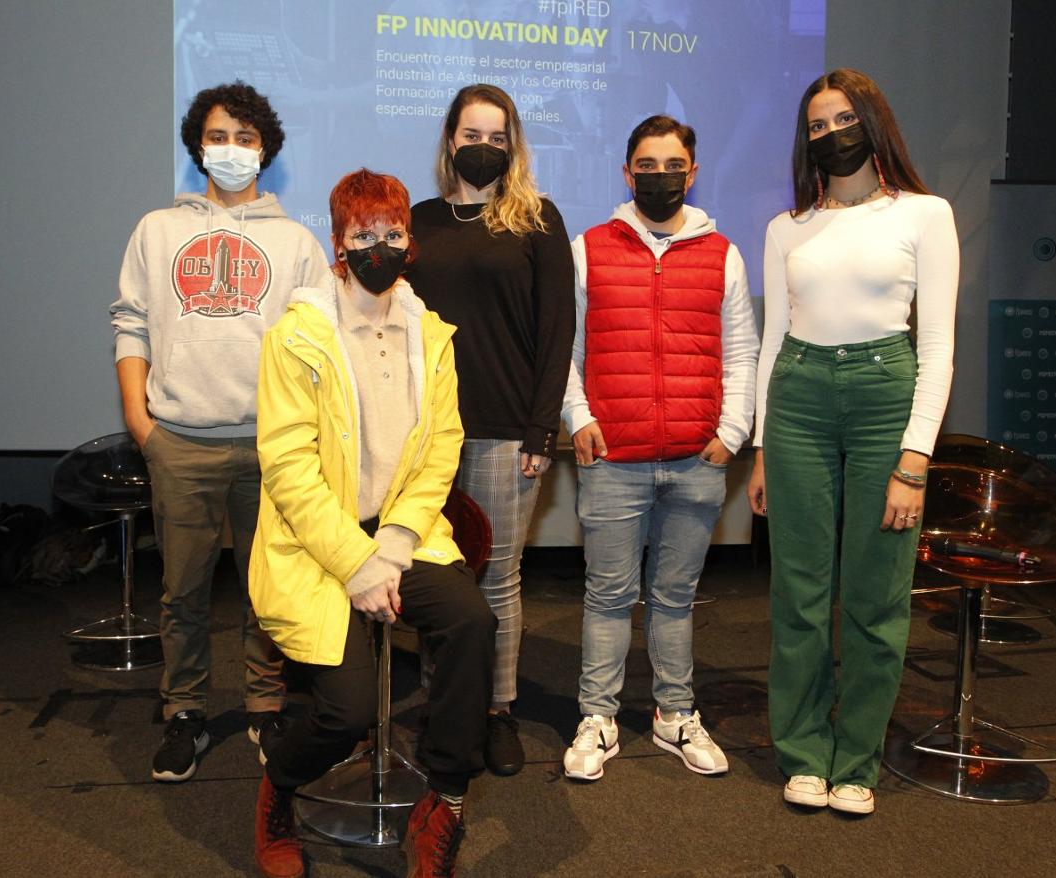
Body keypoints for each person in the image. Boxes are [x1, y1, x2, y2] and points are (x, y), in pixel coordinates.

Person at [248, 169, 495, 878]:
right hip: (316, 548)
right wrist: (356, 564)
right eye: (363, 234)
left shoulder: (431, 336)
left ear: (408, 242)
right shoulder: (296, 338)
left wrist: (393, 544)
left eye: (392, 233)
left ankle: (444, 799)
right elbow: (289, 472)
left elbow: (440, 448)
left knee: (472, 623)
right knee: (345, 713)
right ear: (339, 242)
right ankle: (279, 788)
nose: (378, 246)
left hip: (403, 537)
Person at [747, 68, 960, 815]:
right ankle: (804, 751)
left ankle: (858, 761)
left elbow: (936, 345)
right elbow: (772, 343)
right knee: (799, 594)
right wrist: (763, 448)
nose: (830, 134)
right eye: (816, 125)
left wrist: (915, 460)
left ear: (872, 122)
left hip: (884, 396)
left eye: (843, 119)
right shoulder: (786, 228)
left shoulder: (926, 214)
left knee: (875, 596)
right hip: (798, 400)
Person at [111, 81, 329, 782]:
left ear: (265, 149)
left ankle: (266, 708)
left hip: (273, 445)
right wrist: (140, 423)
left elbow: (318, 345)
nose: (229, 150)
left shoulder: (296, 242)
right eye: (217, 136)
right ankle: (185, 713)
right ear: (197, 147)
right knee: (183, 591)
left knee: (271, 589)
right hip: (179, 440)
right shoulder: (156, 229)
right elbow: (130, 323)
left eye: (244, 137)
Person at [558, 115, 759, 781]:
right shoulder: (589, 247)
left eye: (673, 165)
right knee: (609, 595)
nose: (660, 175)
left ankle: (675, 715)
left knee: (675, 598)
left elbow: (742, 352)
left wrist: (731, 436)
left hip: (695, 462)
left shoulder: (722, 252)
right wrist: (578, 417)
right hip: (614, 461)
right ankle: (598, 718)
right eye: (647, 164)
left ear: (692, 173)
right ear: (626, 172)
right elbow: (567, 348)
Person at [407, 83, 575, 776]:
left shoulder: (537, 220)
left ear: (513, 145)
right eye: (471, 135)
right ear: (451, 140)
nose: (483, 147)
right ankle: (443, 705)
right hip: (425, 434)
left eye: (496, 137)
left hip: (508, 431)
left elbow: (556, 329)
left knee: (497, 578)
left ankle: (497, 709)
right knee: (435, 578)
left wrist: (543, 431)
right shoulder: (416, 220)